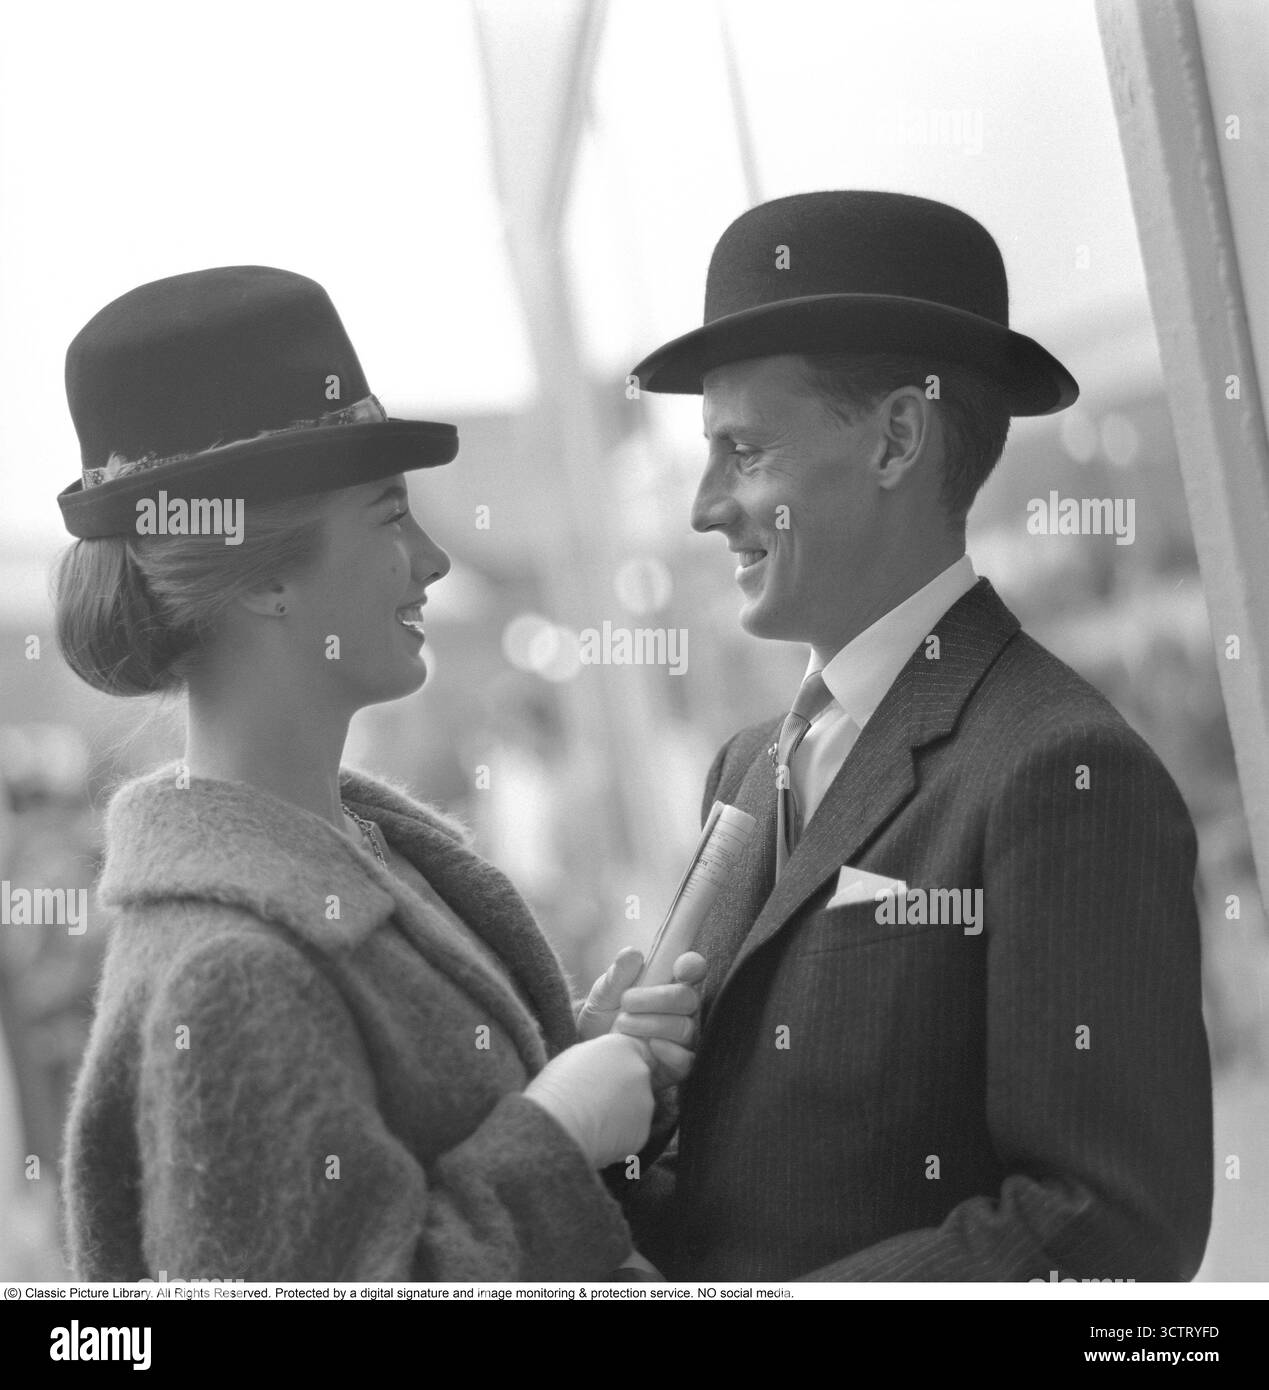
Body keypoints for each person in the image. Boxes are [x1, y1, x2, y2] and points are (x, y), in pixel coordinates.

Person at [54, 265, 702, 1282]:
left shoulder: (356, 859)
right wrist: (556, 1135)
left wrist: (572, 1064)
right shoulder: (231, 973)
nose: (434, 561)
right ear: (264, 572)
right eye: (390, 515)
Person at [617, 190, 1214, 1281]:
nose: (704, 507)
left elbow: (1112, 1229)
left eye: (743, 451)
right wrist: (622, 1113)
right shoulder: (746, 768)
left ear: (897, 438)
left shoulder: (1063, 771)